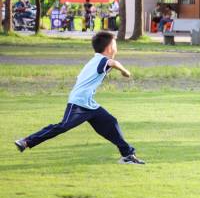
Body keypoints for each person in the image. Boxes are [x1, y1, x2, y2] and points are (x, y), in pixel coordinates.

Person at [14, 31, 144, 164]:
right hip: (79, 103)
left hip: (89, 104)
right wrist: (125, 72)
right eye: (115, 44)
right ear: (110, 47)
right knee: (63, 126)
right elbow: (112, 63)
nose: (117, 48)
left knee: (110, 122)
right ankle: (25, 142)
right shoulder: (103, 60)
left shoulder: (95, 60)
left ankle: (128, 155)